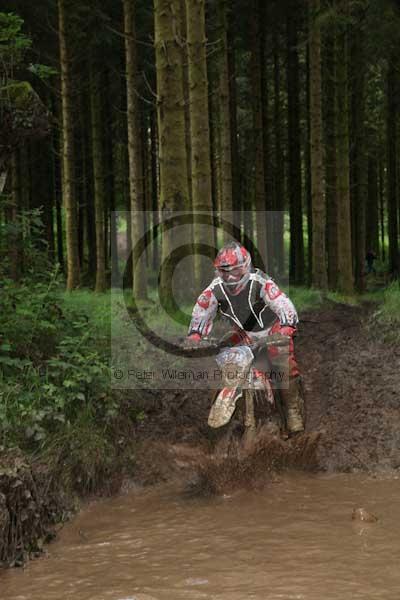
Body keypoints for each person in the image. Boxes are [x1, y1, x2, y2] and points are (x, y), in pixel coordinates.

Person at [186, 241, 305, 435]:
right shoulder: (214, 290)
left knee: (281, 356)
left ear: (246, 266)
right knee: (223, 361)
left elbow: (283, 305)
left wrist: (287, 325)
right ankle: (218, 408)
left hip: (272, 330)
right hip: (242, 333)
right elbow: (201, 311)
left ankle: (292, 410)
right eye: (225, 271)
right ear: (219, 271)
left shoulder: (261, 282)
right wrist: (194, 336)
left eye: (236, 270)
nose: (231, 276)